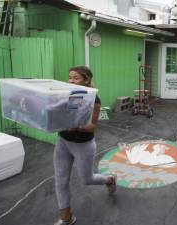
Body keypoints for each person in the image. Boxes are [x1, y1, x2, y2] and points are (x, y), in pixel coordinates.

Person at [53, 66, 116, 225]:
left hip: (83, 145)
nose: (70, 81)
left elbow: (93, 125)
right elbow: (67, 115)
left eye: (75, 78)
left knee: (87, 179)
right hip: (63, 142)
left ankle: (109, 180)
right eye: (69, 77)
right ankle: (66, 217)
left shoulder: (94, 99)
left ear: (86, 80)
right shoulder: (72, 95)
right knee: (60, 180)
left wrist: (78, 127)